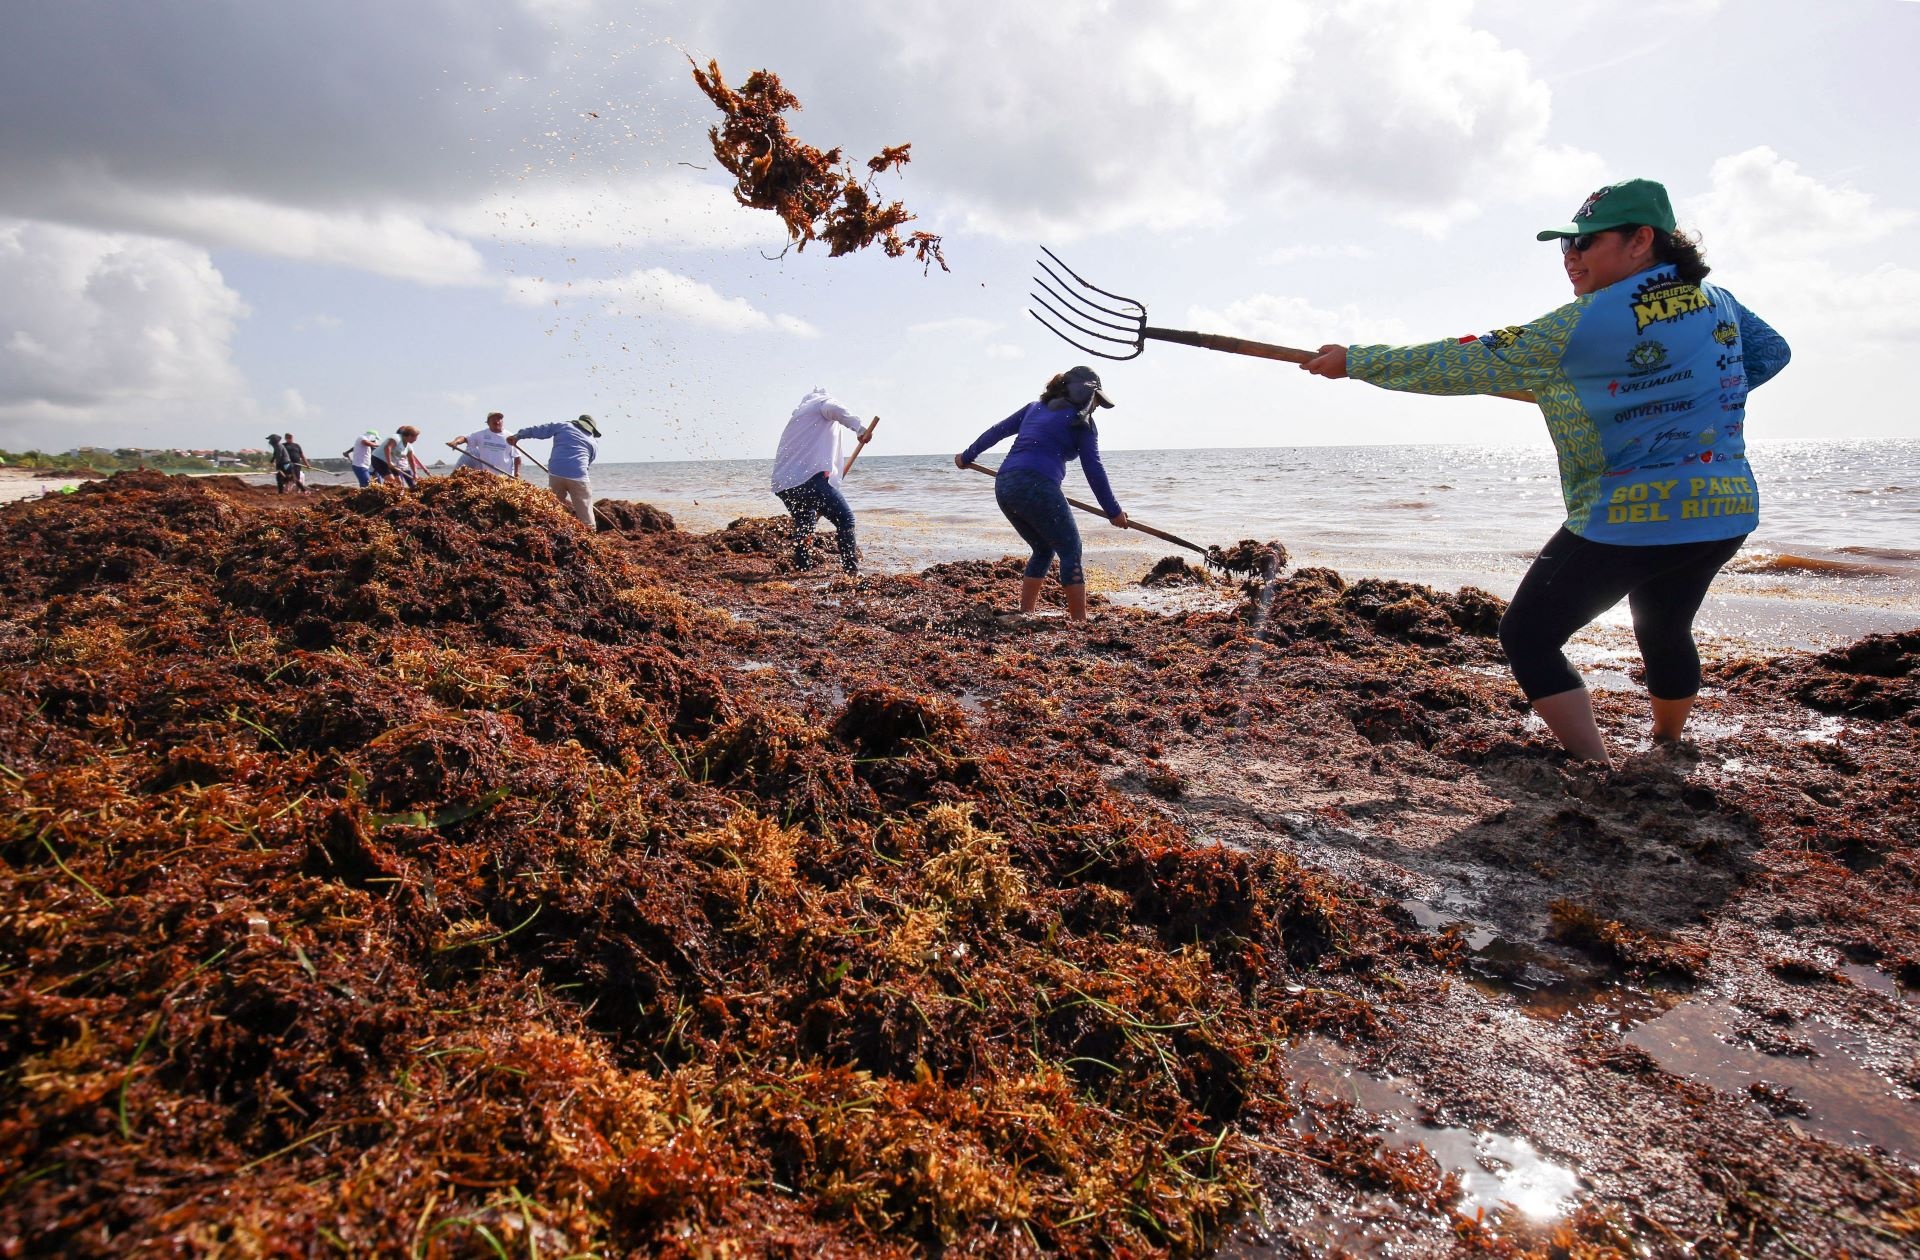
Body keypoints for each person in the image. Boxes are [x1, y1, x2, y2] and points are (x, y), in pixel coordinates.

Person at [1299, 178, 1791, 766]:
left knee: (1527, 635)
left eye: (1585, 243)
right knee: (1663, 625)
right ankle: (1666, 743)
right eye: (1564, 246)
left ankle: (1593, 765)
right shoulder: (1720, 301)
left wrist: (1357, 361)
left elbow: (1463, 360)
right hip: (1724, 510)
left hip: (1632, 517)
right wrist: (1672, 397)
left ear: (1641, 240)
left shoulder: (1584, 322)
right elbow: (1770, 353)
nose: (1570, 257)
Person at [955, 366, 1128, 621]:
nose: (1096, 408)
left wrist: (966, 456)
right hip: (1037, 485)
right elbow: (1094, 469)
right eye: (1096, 401)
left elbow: (996, 432)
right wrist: (1113, 511)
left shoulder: (1033, 409)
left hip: (1005, 486)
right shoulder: (1083, 424)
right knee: (1071, 549)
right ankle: (1079, 622)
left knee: (1044, 549)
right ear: (1085, 395)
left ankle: (1026, 613)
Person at [769, 388, 875, 574]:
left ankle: (802, 568)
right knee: (845, 519)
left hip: (784, 485)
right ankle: (852, 571)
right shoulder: (822, 404)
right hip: (807, 480)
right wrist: (860, 428)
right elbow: (835, 408)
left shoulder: (801, 415)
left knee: (805, 523)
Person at [510, 414, 600, 526]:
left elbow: (539, 430)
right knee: (585, 512)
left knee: (553, 505)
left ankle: (550, 527)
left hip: (556, 472)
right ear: (591, 428)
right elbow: (588, 463)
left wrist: (518, 436)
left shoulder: (564, 425)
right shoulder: (593, 442)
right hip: (579, 475)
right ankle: (591, 534)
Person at [449, 412, 521, 478]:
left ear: (502, 422)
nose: (496, 421)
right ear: (488, 423)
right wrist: (455, 442)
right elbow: (465, 438)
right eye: (493, 419)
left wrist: (517, 473)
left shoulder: (510, 436)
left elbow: (517, 457)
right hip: (488, 476)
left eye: (499, 419)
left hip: (506, 476)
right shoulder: (481, 435)